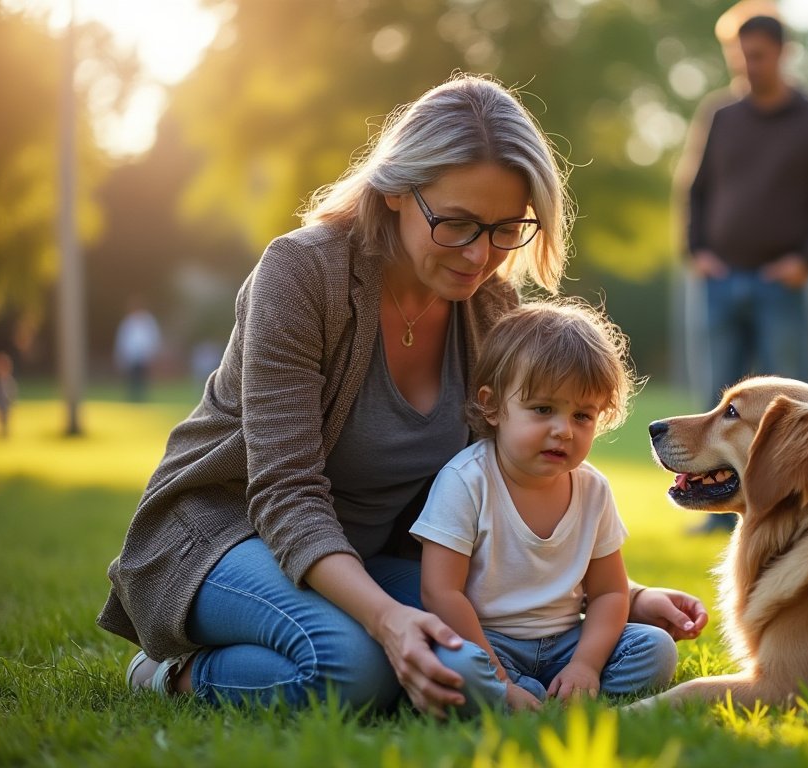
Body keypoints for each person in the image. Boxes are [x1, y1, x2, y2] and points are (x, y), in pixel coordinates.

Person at [99, 75, 708, 715]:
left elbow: (501, 488)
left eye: (507, 228)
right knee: (359, 668)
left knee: (472, 644)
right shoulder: (302, 274)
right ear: (395, 190)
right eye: (458, 224)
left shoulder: (488, 304)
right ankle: (171, 673)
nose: (481, 255)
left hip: (366, 555)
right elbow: (285, 491)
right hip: (228, 533)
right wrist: (387, 619)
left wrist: (626, 593)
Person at [413, 303, 676, 715]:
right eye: (542, 410)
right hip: (488, 639)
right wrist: (498, 675)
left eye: (583, 415)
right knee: (456, 666)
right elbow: (440, 592)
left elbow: (609, 592)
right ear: (493, 406)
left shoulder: (592, 489)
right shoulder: (467, 481)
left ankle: (560, 690)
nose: (563, 430)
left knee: (655, 649)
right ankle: (516, 692)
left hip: (567, 641)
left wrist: (586, 665)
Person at [679, 6, 808, 533]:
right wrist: (697, 250)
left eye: (756, 55)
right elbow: (696, 187)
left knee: (794, 407)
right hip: (721, 278)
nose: (746, 65)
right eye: (738, 55)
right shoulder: (721, 115)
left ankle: (805, 509)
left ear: (782, 53)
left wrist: (807, 262)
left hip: (783, 283)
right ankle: (716, 512)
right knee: (717, 401)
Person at [114, 297, 162, 402]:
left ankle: (142, 399)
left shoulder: (148, 322)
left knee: (143, 380)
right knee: (132, 380)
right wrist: (122, 356)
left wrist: (152, 353)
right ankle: (132, 399)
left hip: (144, 356)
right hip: (131, 357)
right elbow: (123, 340)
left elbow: (153, 338)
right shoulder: (127, 322)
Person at [0, 351, 15, 438]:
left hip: (3, 401)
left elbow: (11, 391)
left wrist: (11, 400)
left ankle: (4, 430)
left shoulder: (8, 379)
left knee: (4, 413)